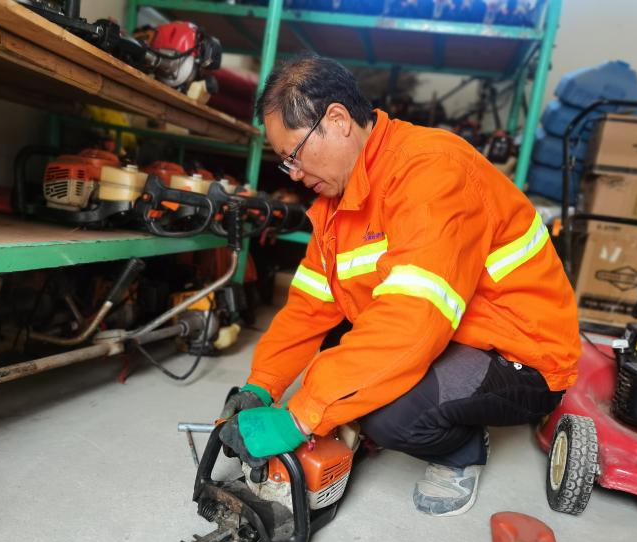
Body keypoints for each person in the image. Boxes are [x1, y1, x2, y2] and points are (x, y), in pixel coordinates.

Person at [218, 55, 580, 517]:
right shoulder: (336, 203)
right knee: (346, 369)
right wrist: (261, 386)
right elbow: (310, 307)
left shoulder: (433, 171)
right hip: (455, 334)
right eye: (284, 161)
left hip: (522, 354)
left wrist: (301, 416)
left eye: (295, 155)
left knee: (383, 414)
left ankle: (462, 451)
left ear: (338, 120)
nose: (293, 173)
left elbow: (412, 322)